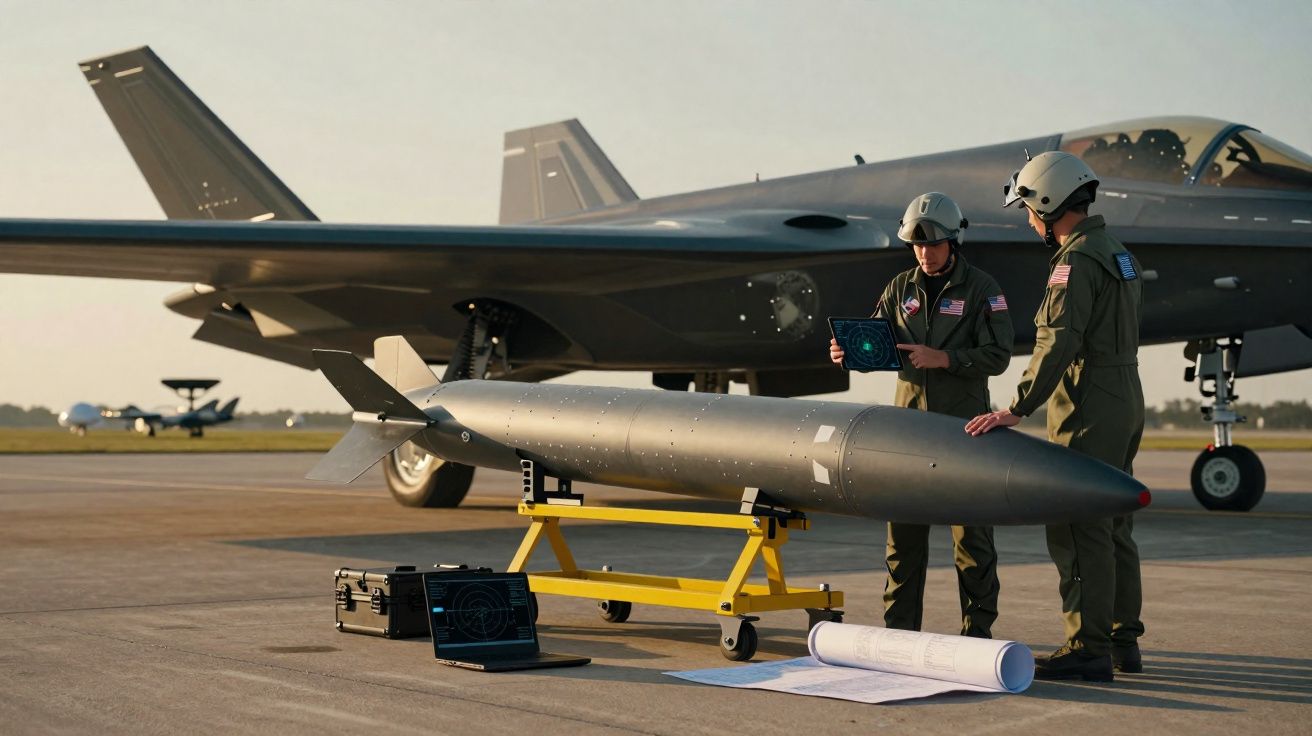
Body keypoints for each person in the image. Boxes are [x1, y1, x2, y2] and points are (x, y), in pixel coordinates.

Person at [964, 151, 1145, 682]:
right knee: (1114, 525)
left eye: (1027, 207)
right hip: (1125, 395)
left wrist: (1016, 407)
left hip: (1087, 401)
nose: (1027, 219)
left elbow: (1058, 340)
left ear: (1047, 201)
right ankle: (1121, 640)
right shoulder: (1118, 253)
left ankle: (1087, 649)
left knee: (1076, 523)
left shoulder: (1076, 260)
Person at [830, 192, 1014, 639]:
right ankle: (899, 633)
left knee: (972, 543)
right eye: (916, 245)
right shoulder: (900, 288)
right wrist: (847, 353)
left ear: (954, 241)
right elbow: (877, 340)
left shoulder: (983, 289)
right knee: (903, 543)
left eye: (932, 245)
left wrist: (946, 359)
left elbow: (999, 354)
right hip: (907, 433)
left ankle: (977, 635)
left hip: (963, 432)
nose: (924, 253)